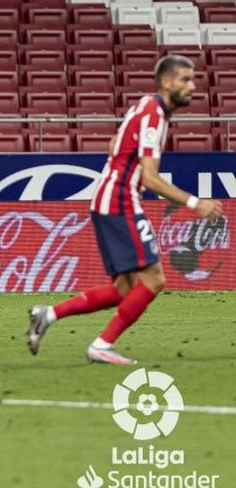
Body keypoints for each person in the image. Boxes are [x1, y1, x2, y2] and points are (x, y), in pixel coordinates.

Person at [27, 55, 223, 365]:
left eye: (193, 79)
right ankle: (101, 345)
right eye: (185, 79)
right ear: (167, 82)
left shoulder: (145, 107)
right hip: (120, 199)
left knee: (124, 288)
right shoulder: (155, 114)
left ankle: (47, 315)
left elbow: (114, 141)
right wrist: (194, 203)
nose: (193, 86)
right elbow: (149, 177)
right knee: (155, 279)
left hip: (110, 196)